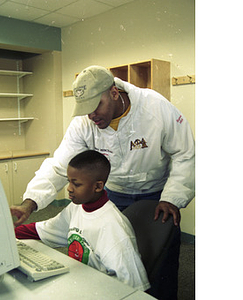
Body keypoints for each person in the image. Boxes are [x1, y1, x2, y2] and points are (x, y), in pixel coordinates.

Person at [11, 65, 195, 228]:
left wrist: (172, 199)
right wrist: (29, 204)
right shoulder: (83, 123)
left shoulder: (156, 107)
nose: (91, 115)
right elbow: (60, 166)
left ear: (114, 93)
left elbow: (185, 153)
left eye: (96, 106)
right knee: (110, 251)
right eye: (86, 109)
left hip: (155, 194)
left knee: (159, 254)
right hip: (112, 194)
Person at [15, 150, 151, 291]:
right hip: (82, 282)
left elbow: (135, 286)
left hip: (103, 291)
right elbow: (46, 229)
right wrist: (10, 233)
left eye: (76, 184)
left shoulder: (112, 227)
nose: (69, 188)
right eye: (69, 182)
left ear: (98, 186)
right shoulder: (76, 207)